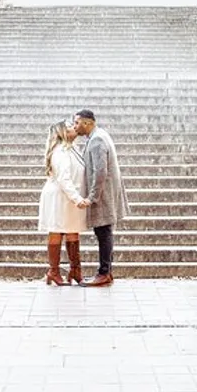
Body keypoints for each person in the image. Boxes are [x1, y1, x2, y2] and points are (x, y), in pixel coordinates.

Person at [73, 109, 129, 287]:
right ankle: (106, 272)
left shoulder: (97, 139)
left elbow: (100, 171)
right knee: (104, 232)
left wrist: (92, 197)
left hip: (103, 194)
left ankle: (104, 273)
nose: (75, 127)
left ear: (88, 123)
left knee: (104, 232)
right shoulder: (98, 135)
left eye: (77, 123)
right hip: (105, 192)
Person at [37, 120, 89, 285]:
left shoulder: (72, 149)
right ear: (62, 133)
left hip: (69, 196)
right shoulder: (60, 151)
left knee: (73, 231)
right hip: (59, 197)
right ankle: (53, 271)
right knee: (56, 231)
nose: (74, 127)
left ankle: (75, 270)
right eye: (69, 127)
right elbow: (64, 179)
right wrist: (77, 198)